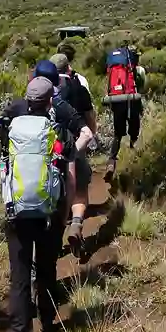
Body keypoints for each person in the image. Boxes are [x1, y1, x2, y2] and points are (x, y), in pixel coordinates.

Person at [0, 76, 77, 332]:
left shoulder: (10, 130)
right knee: (46, 272)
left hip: (16, 213)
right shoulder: (59, 131)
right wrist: (65, 213)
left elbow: (4, 171)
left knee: (19, 278)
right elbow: (69, 178)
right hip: (49, 214)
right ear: (50, 101)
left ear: (28, 100)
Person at [49, 52, 96, 253]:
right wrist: (91, 136)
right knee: (80, 190)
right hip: (75, 145)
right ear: (68, 68)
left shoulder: (43, 91)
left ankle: (53, 241)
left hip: (49, 150)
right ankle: (76, 225)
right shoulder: (79, 88)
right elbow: (90, 118)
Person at [104, 45, 147, 182]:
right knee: (134, 132)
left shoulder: (114, 68)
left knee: (118, 134)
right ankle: (134, 162)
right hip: (132, 101)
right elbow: (141, 87)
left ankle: (111, 163)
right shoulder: (138, 70)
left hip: (117, 100)